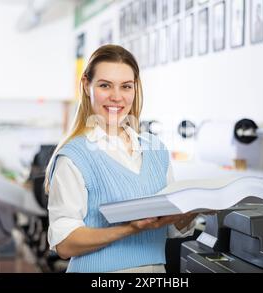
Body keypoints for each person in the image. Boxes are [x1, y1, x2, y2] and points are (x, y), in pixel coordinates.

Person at [45, 44, 197, 273]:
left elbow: (170, 229)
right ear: (87, 86)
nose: (116, 97)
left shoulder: (156, 149)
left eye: (126, 86)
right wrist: (129, 229)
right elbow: (64, 243)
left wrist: (193, 209)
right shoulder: (75, 157)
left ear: (135, 89)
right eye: (105, 85)